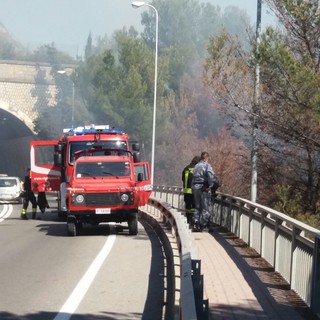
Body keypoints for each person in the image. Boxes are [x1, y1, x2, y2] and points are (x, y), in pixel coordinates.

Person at [191, 151, 215, 231]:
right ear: (207, 158)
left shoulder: (196, 166)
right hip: (204, 188)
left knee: (197, 207)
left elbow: (193, 177)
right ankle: (203, 225)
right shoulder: (207, 165)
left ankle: (195, 222)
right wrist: (210, 185)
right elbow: (210, 176)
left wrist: (193, 187)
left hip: (195, 187)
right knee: (205, 208)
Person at [182, 155, 201, 225]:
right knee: (194, 207)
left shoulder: (186, 168)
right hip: (195, 191)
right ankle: (193, 222)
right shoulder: (198, 169)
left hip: (186, 191)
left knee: (188, 206)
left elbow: (183, 179)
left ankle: (188, 220)